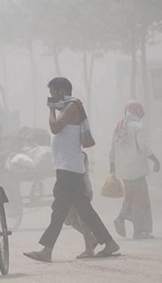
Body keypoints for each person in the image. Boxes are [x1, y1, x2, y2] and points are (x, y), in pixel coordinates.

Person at [23, 77, 120, 262]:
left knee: (59, 209)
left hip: (70, 168)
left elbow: (55, 127)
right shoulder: (68, 107)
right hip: (67, 166)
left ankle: (46, 250)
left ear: (61, 91)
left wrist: (51, 109)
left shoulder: (72, 106)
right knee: (84, 209)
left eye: (52, 93)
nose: (51, 97)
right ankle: (109, 242)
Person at [110, 100, 160, 240]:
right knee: (141, 201)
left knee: (131, 197)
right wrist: (156, 160)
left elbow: (111, 150)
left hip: (124, 172)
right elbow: (144, 147)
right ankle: (140, 230)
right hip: (136, 170)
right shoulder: (138, 127)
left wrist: (112, 169)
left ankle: (121, 217)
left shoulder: (119, 126)